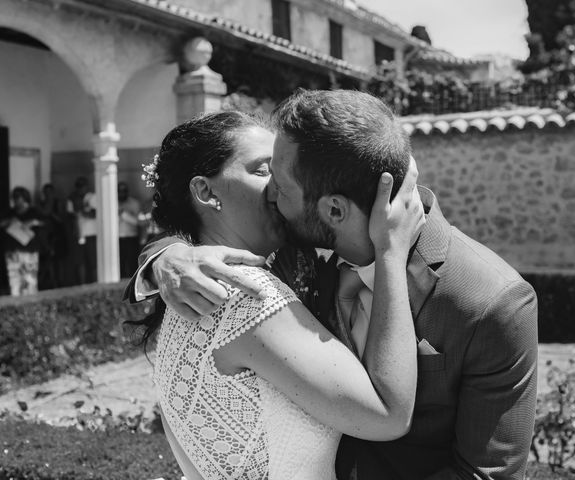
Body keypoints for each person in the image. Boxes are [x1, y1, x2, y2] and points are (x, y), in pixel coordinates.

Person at [126, 90, 539, 480]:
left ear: (334, 210)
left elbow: (484, 475)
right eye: (263, 171)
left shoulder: (492, 301)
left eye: (280, 180)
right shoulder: (289, 256)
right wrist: (165, 254)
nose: (272, 191)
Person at [130, 111, 424, 479]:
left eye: (283, 168)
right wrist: (391, 252)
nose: (281, 183)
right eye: (262, 169)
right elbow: (389, 415)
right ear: (205, 191)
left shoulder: (194, 290)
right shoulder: (247, 296)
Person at [1, 187, 43, 296]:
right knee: (15, 281)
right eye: (13, 197)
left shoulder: (33, 211)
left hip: (29, 251)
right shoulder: (10, 213)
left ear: (24, 198)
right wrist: (8, 222)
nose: (15, 200)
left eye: (17, 197)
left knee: (30, 280)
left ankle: (30, 305)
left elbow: (44, 222)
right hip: (12, 251)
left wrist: (32, 222)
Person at [67, 177, 97, 284]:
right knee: (80, 262)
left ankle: (95, 283)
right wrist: (81, 212)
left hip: (91, 233)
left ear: (86, 186)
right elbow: (70, 215)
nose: (81, 189)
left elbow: (94, 214)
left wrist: (81, 212)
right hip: (78, 233)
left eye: (82, 186)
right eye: (79, 187)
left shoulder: (92, 197)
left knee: (93, 261)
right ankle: (82, 285)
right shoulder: (72, 198)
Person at [117, 181, 141, 279]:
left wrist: (124, 214)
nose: (122, 193)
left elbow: (138, 221)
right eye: (119, 191)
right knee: (119, 264)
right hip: (118, 238)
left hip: (131, 237)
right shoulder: (112, 203)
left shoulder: (134, 203)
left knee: (132, 264)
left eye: (124, 191)